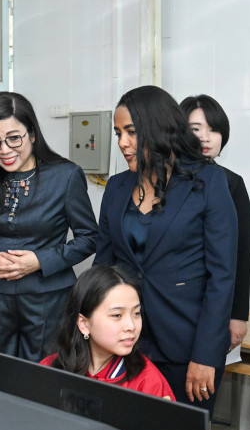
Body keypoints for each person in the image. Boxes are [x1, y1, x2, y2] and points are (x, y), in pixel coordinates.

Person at [95, 85, 237, 411]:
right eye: (118, 133)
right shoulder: (116, 188)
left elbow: (222, 277)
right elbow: (103, 269)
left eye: (131, 132)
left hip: (185, 343)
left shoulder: (208, 183)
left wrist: (205, 356)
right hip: (125, 341)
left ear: (158, 127)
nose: (122, 143)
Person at [0, 91, 97, 388]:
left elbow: (88, 238)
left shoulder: (65, 175)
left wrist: (39, 261)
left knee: (44, 380)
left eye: (13, 138)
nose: (4, 149)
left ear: (32, 133)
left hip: (48, 298)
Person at [180, 94, 250, 350]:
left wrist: (238, 315)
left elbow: (240, 253)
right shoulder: (164, 180)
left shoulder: (231, 183)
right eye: (196, 129)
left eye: (214, 129)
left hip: (214, 303)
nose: (206, 137)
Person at [41, 265, 175, 400]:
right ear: (83, 324)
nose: (131, 326)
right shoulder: (50, 368)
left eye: (136, 313)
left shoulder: (149, 382)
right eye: (117, 315)